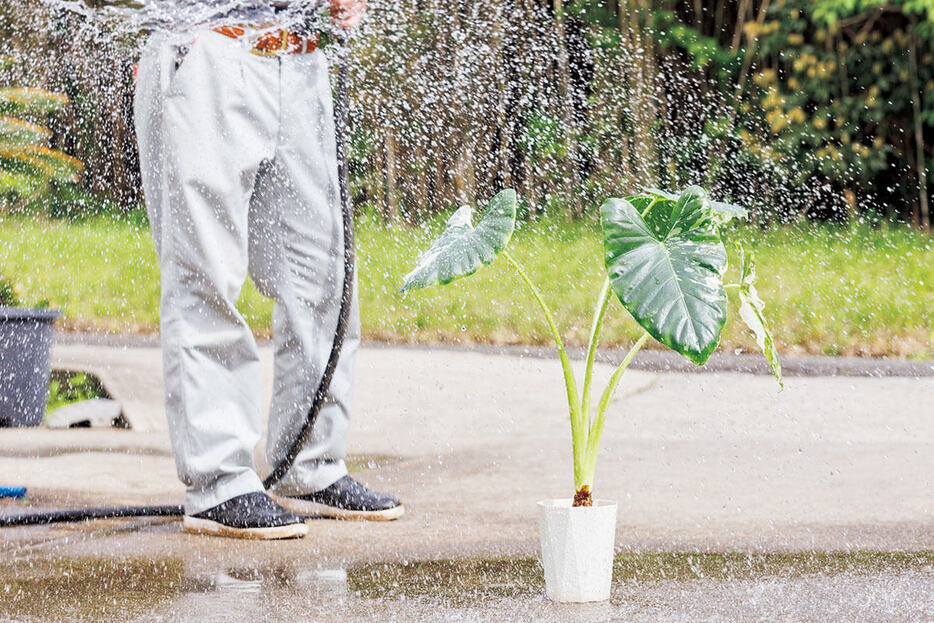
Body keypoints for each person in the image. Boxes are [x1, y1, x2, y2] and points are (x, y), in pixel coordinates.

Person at [134, 0, 403, 540]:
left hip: (299, 59)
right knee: (205, 275)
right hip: (208, 49)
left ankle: (311, 464)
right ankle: (219, 484)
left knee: (322, 275)